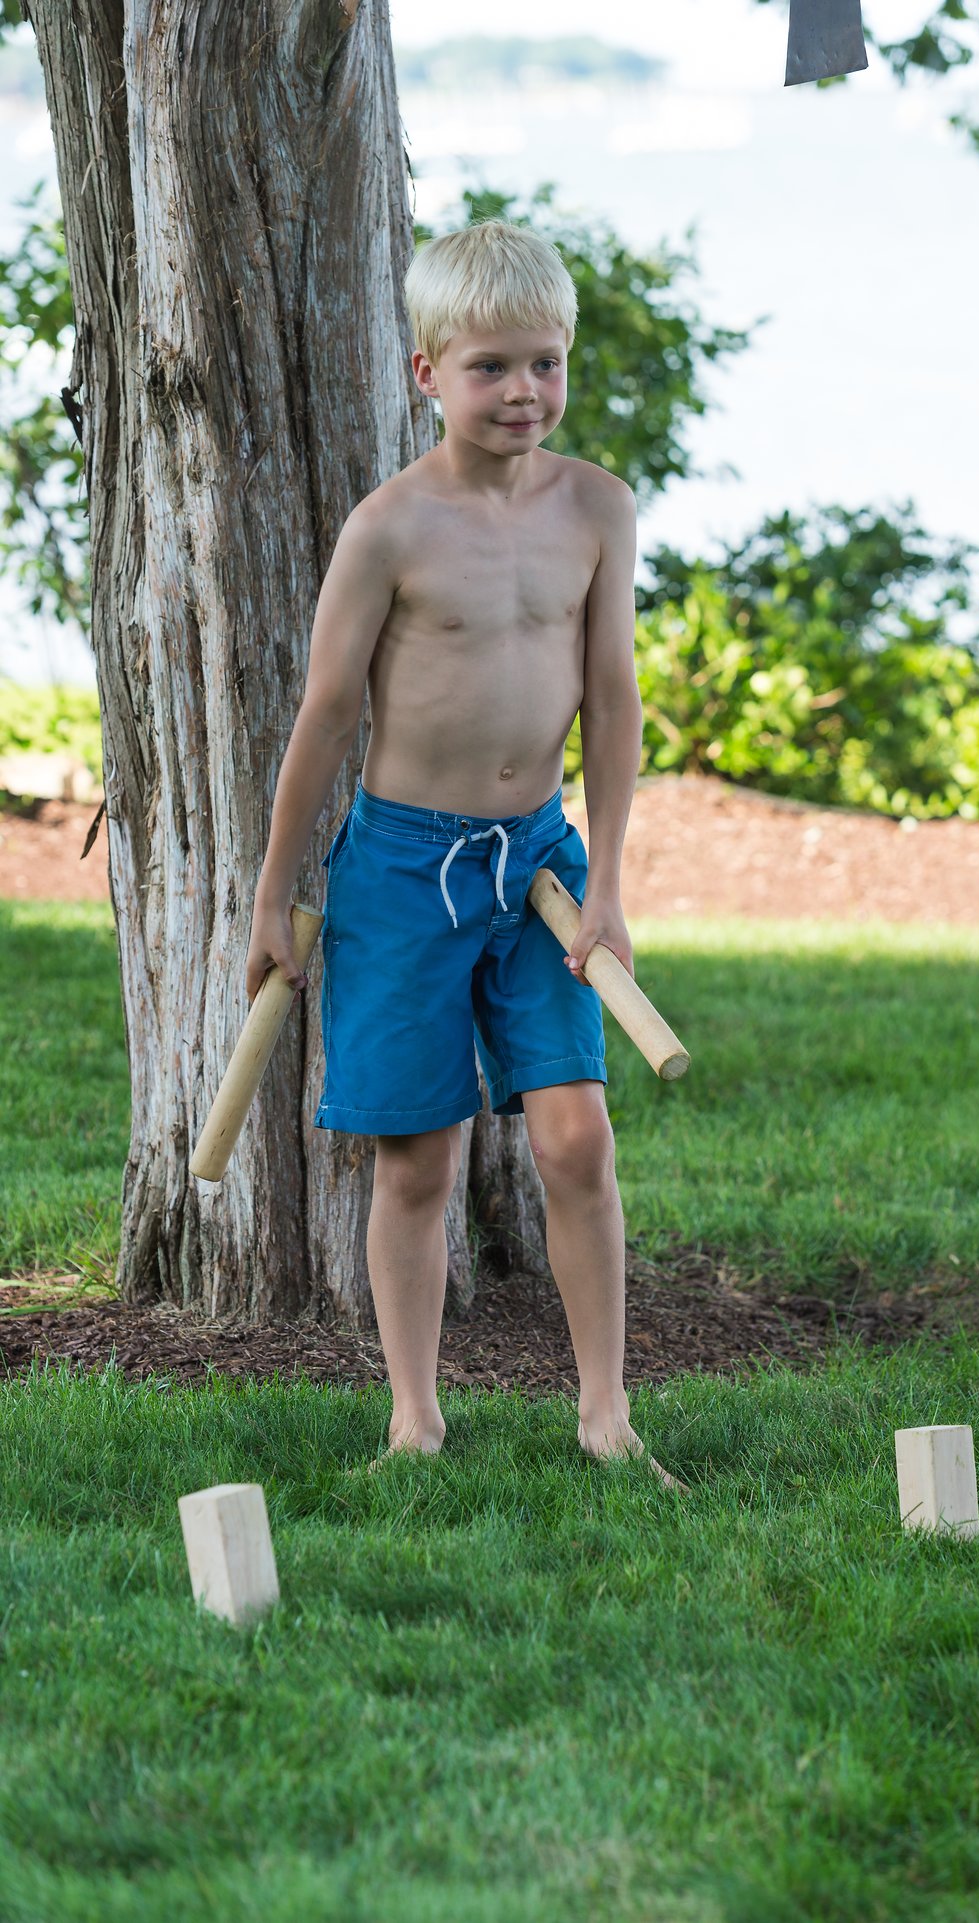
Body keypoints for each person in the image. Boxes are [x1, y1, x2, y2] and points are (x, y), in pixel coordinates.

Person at [246, 218, 685, 1492]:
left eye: (545, 363)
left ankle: (606, 1414)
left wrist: (606, 883)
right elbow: (326, 716)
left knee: (575, 1143)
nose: (524, 393)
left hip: (538, 871)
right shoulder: (387, 529)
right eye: (492, 367)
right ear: (428, 370)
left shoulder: (596, 507)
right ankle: (414, 1419)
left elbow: (613, 700)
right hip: (398, 873)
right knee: (417, 1157)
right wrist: (277, 896)